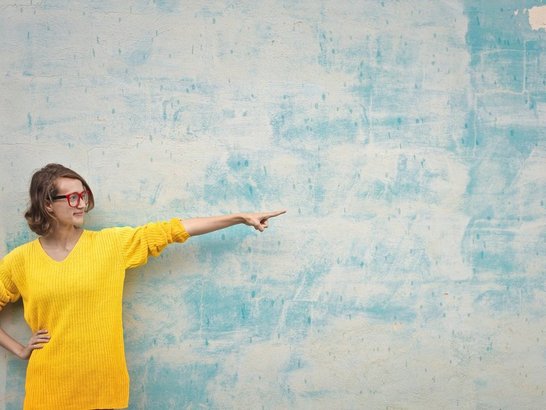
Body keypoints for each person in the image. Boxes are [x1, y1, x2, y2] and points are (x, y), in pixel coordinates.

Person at [0, 163, 285, 410]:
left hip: (102, 390)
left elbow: (171, 230)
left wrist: (238, 218)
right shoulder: (20, 261)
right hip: (47, 393)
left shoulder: (111, 245)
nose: (81, 204)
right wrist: (20, 349)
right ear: (48, 204)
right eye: (72, 197)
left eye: (83, 196)